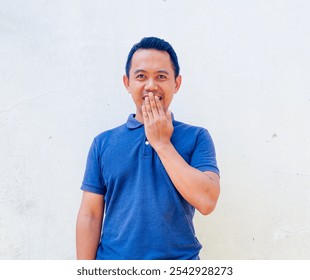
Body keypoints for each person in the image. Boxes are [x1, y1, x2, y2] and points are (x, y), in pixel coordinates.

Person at [76, 37, 220, 260]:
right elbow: (91, 215)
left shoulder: (197, 137)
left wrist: (162, 143)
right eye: (141, 76)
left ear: (177, 83)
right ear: (127, 83)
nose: (151, 85)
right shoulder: (103, 143)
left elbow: (207, 201)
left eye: (161, 76)